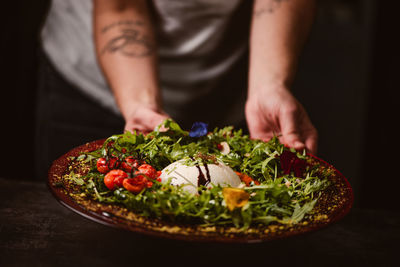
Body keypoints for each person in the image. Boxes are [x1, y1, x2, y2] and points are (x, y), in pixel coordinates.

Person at [35, 0, 317, 179]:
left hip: (219, 79)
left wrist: (269, 86)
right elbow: (120, 7)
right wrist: (140, 106)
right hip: (92, 78)